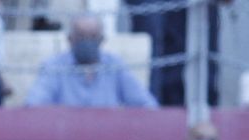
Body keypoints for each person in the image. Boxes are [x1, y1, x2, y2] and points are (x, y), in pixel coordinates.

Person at [24, 14, 158, 108]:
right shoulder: (53, 65)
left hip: (107, 139)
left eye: (93, 37)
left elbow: (146, 105)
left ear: (102, 39)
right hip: (63, 139)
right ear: (70, 39)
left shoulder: (114, 64)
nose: (87, 42)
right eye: (81, 36)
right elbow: (34, 106)